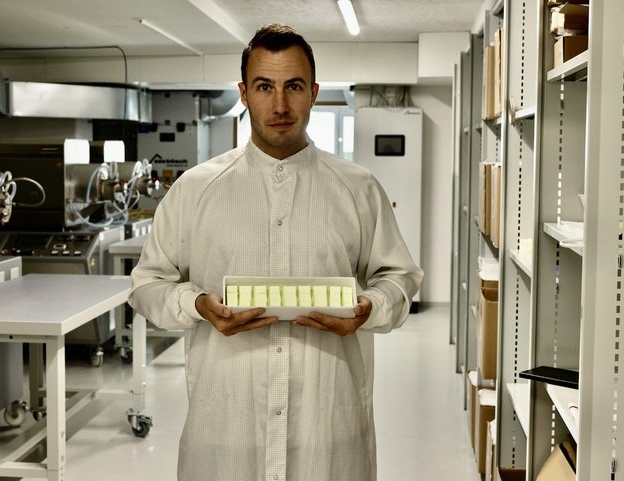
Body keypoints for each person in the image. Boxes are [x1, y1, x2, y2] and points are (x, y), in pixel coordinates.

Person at [129, 23, 424, 481]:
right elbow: (147, 284)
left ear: (314, 94)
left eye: (294, 87)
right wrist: (197, 305)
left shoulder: (357, 188)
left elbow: (400, 278)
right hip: (226, 431)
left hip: (327, 429)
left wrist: (370, 307)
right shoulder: (196, 189)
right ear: (244, 94)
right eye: (265, 87)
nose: (281, 105)